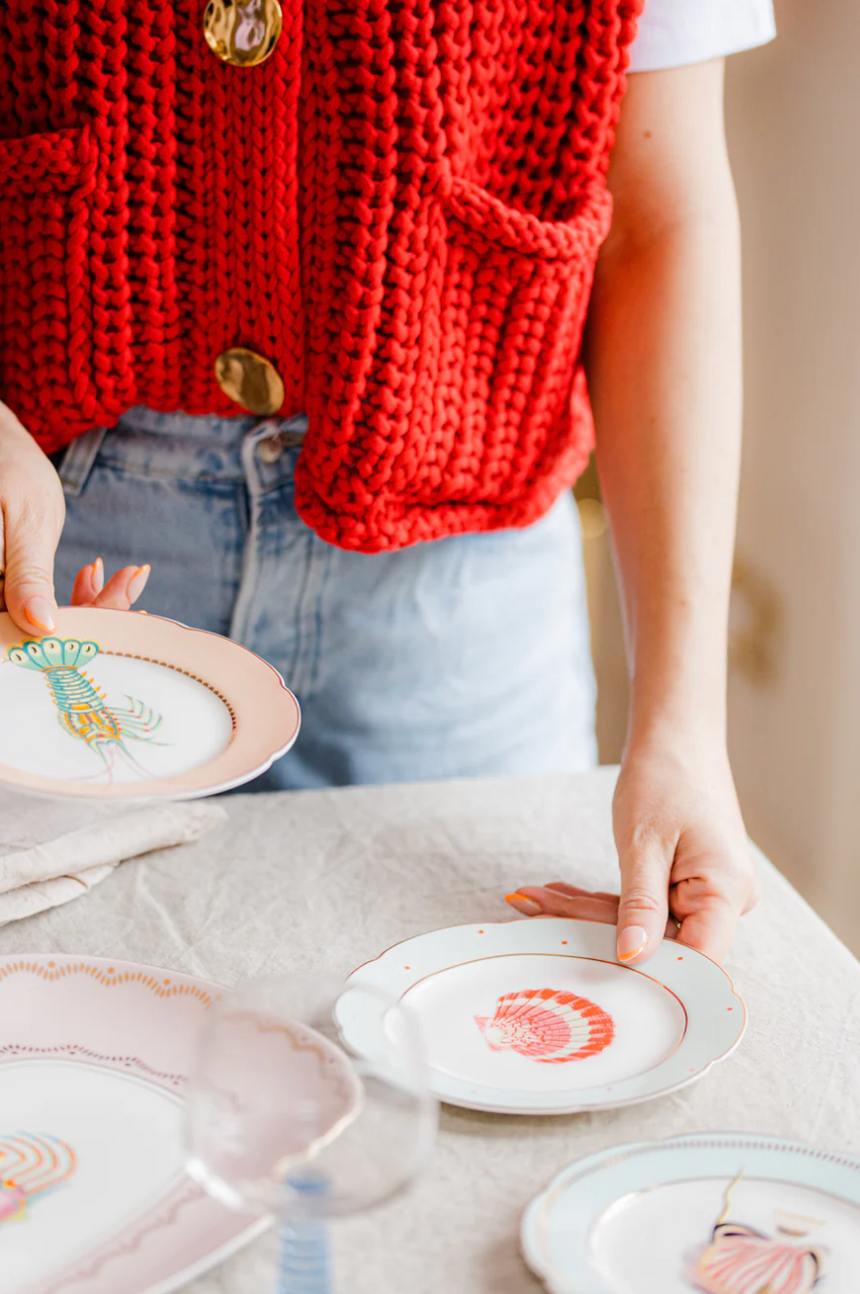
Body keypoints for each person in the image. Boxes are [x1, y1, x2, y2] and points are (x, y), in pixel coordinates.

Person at [0, 0, 774, 967]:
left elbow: (661, 218)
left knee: (476, 1064)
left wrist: (683, 724)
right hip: (52, 543)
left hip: (455, 593)